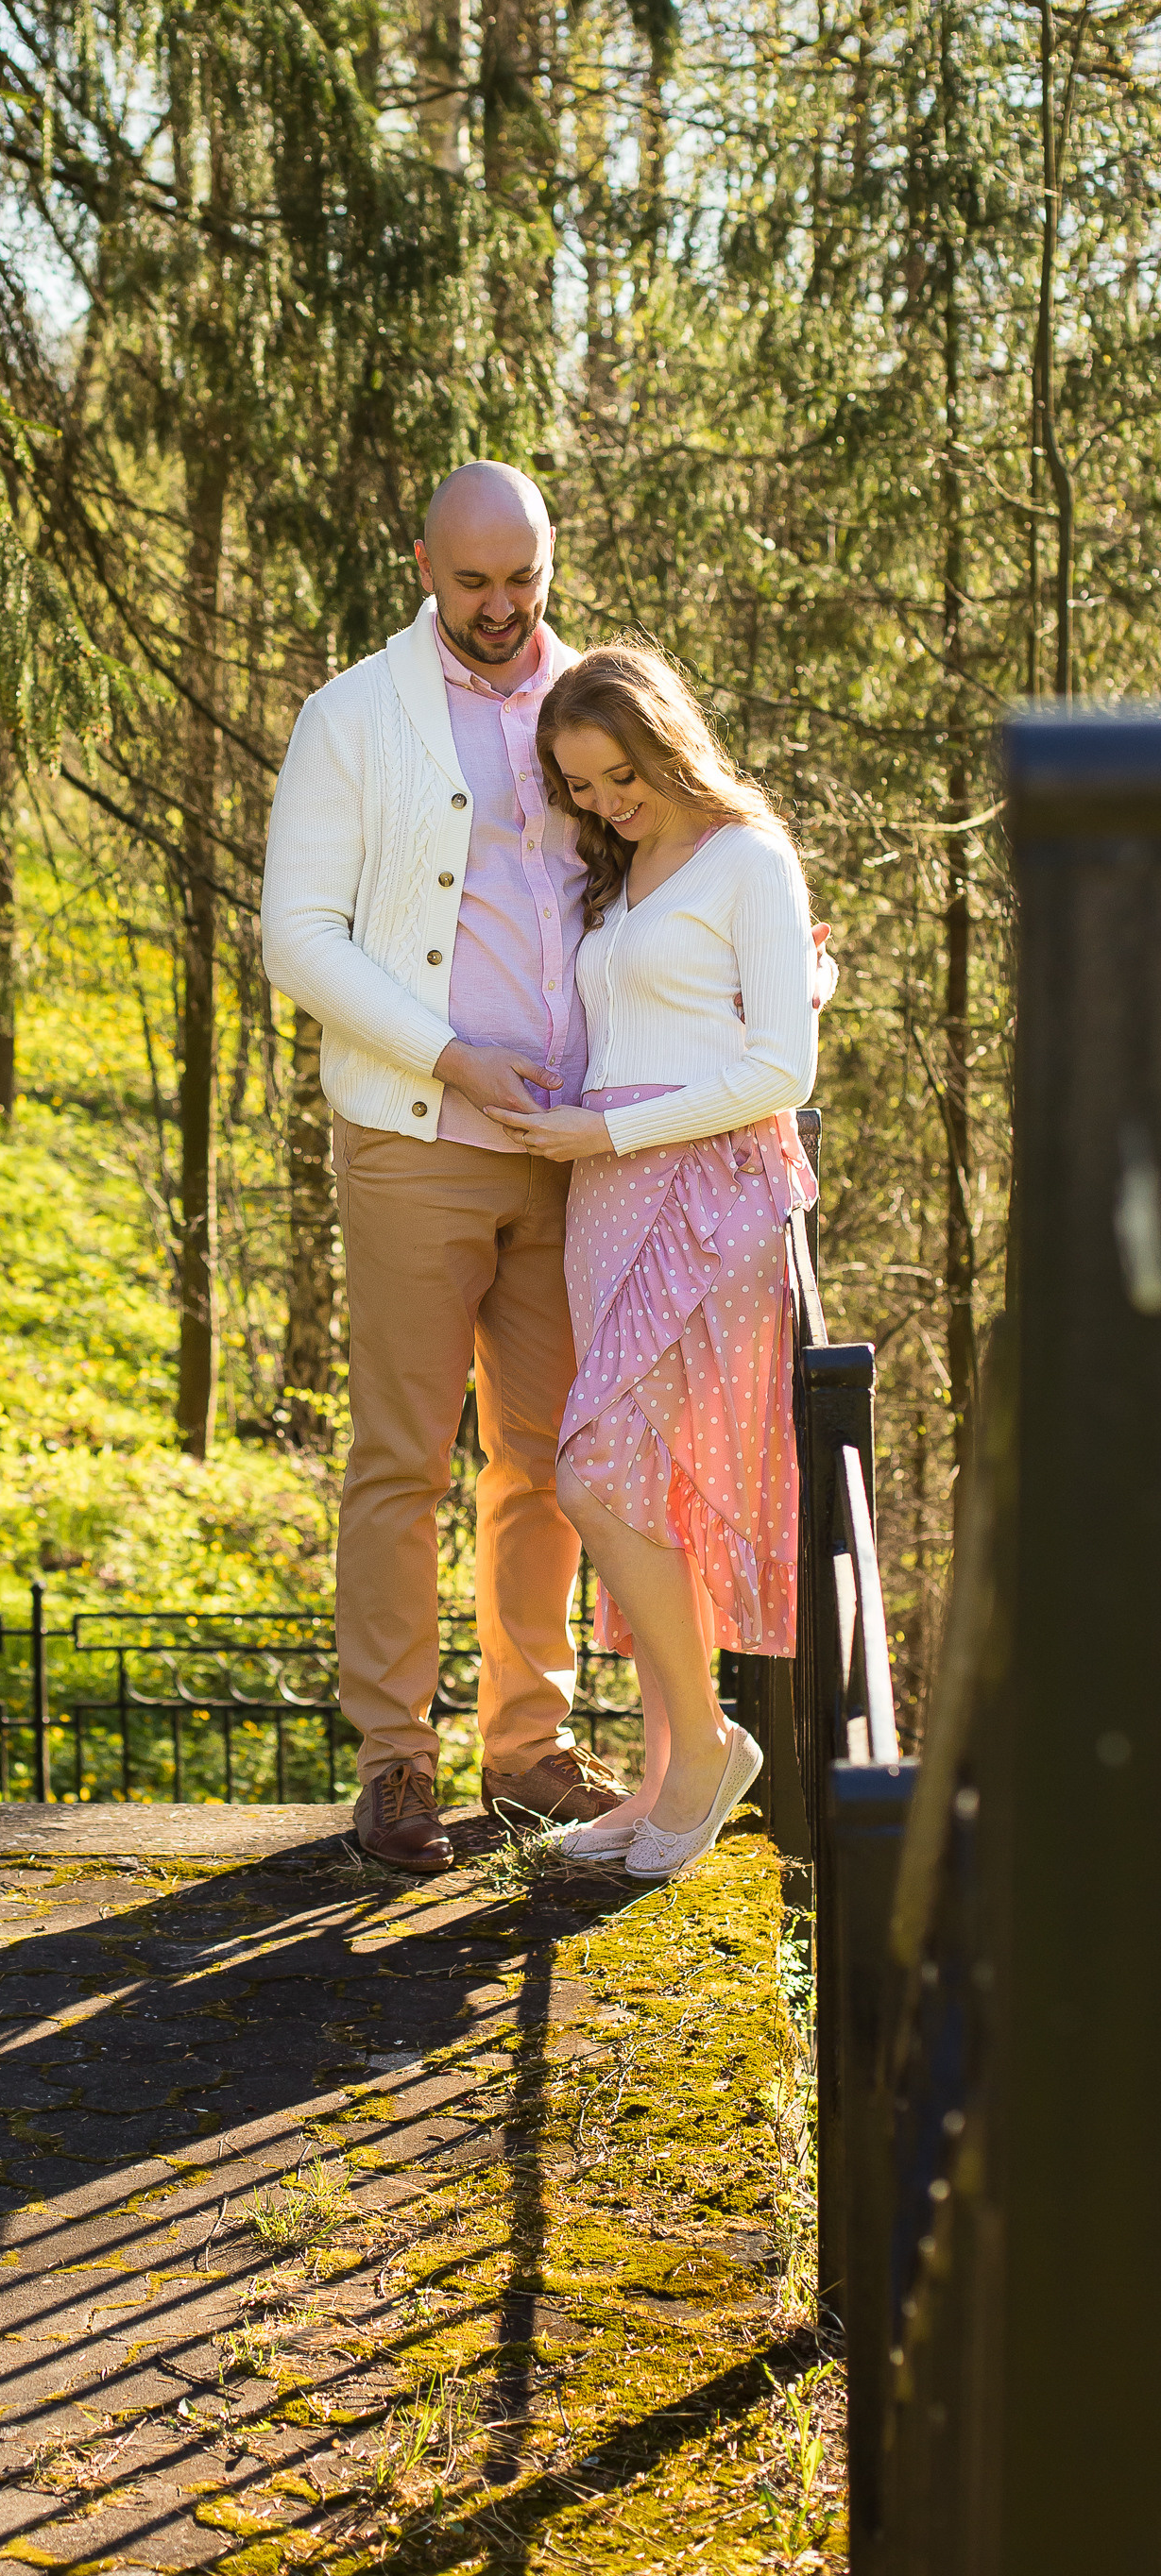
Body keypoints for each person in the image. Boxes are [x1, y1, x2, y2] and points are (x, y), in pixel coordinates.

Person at [261, 462, 628, 1874]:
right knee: (403, 1462)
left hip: (570, 1149)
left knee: (547, 1463)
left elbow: (683, 859)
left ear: (548, 560)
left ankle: (530, 1750)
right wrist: (447, 1055)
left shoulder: (599, 698)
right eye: (471, 580)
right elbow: (302, 937)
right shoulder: (353, 716)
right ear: (423, 561)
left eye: (520, 578)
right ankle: (397, 1765)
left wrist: (771, 970)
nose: (498, 607)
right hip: (417, 1141)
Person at [480, 643, 821, 1882]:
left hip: (701, 1196)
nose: (607, 803)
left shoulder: (747, 858)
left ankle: (709, 1753)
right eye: (582, 787)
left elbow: (783, 1066)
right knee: (641, 1488)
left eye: (621, 775)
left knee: (596, 1470)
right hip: (607, 1198)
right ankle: (665, 1766)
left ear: (668, 740)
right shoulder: (626, 876)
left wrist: (607, 1127)